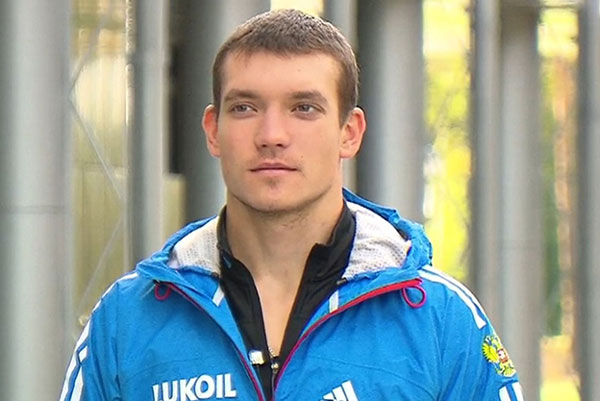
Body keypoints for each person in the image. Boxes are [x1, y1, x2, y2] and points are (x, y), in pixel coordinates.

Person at [59, 9, 523, 401]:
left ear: (349, 133)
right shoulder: (128, 318)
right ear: (213, 130)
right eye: (245, 108)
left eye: (304, 108)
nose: (272, 135)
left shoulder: (439, 318)